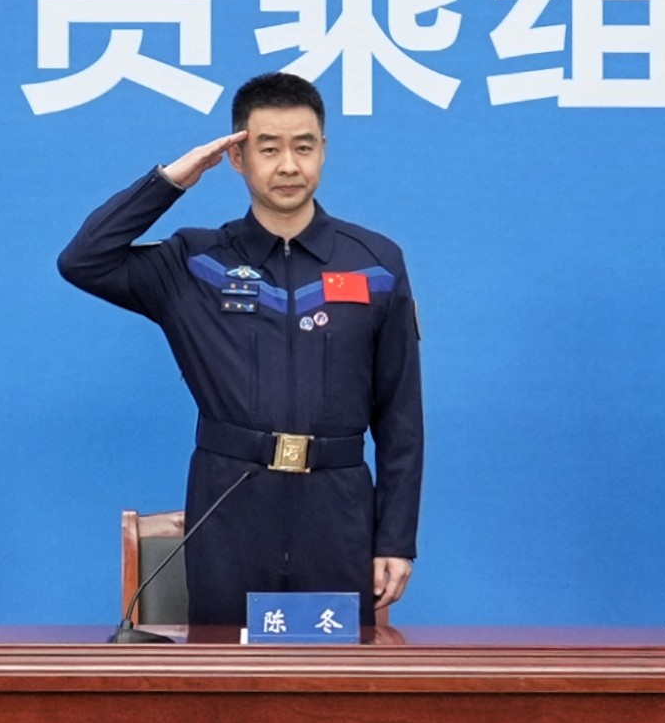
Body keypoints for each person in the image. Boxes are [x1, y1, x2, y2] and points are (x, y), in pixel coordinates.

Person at [59, 72, 423, 626]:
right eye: (268, 148)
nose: (288, 165)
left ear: (324, 151)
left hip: (339, 510)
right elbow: (84, 260)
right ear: (236, 157)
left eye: (304, 147)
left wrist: (395, 538)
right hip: (229, 507)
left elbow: (401, 415)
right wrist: (172, 180)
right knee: (227, 692)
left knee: (335, 691)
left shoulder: (375, 262)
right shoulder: (195, 263)